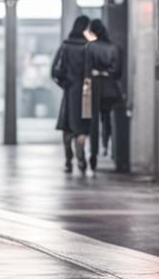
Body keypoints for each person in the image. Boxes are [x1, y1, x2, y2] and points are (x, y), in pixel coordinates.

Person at [52, 15, 91, 173]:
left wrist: (65, 84)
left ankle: (68, 160)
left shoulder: (65, 46)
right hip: (86, 91)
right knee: (81, 127)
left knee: (67, 126)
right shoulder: (88, 47)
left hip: (70, 91)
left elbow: (54, 70)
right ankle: (81, 159)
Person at [84, 19, 122, 171]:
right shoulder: (114, 48)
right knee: (108, 119)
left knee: (92, 122)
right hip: (109, 86)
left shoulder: (89, 47)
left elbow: (85, 70)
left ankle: (93, 153)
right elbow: (118, 72)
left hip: (91, 86)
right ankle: (108, 148)